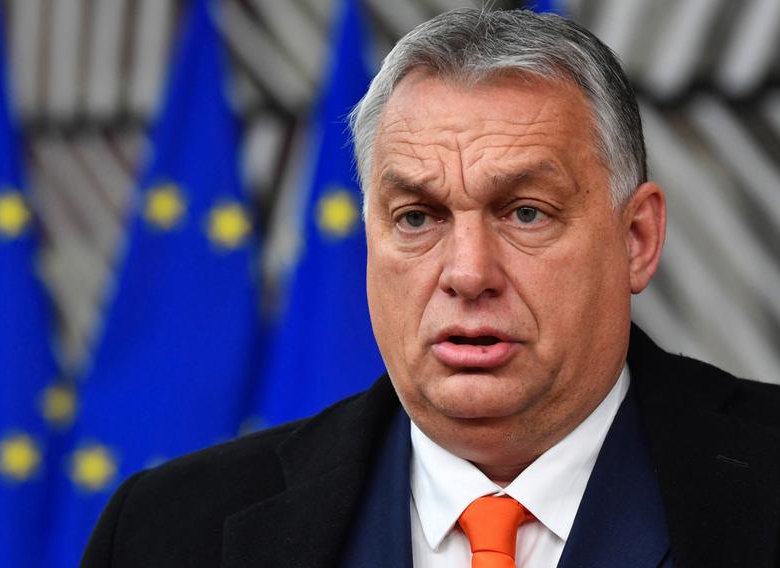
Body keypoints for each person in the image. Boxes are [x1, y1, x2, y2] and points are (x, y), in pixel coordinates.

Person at [81, 9, 780, 568]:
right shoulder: (166, 532)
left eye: (525, 212)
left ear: (636, 239)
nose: (468, 273)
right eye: (417, 218)